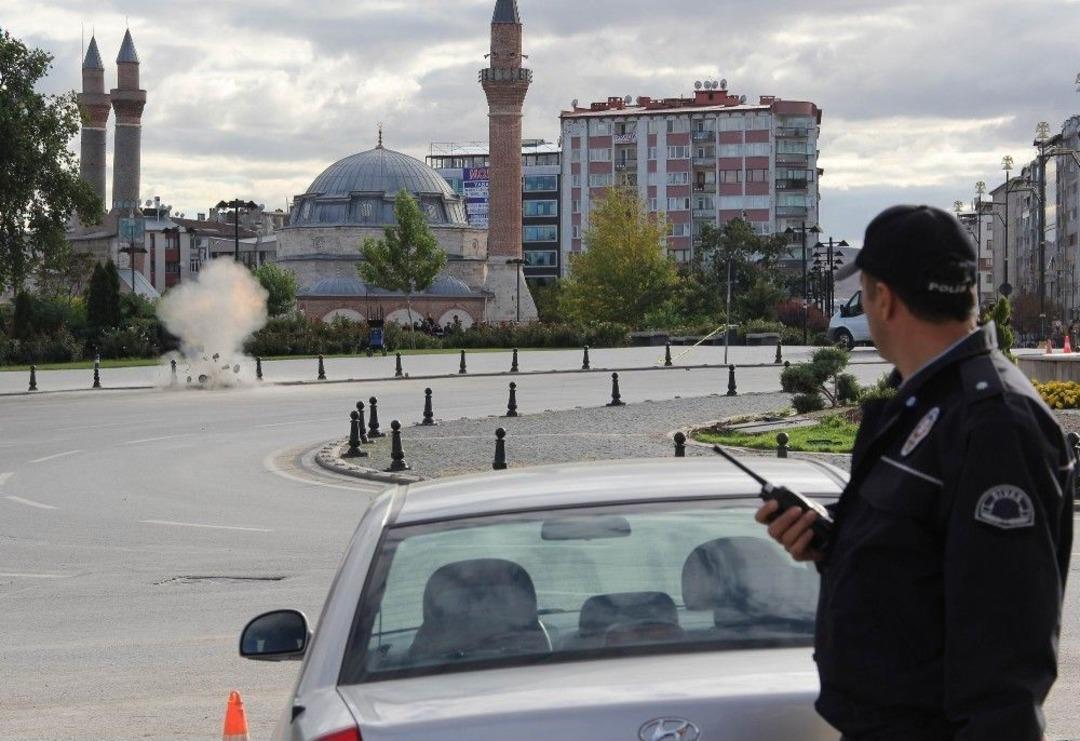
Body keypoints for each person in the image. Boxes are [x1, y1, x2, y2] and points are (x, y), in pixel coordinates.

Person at [758, 205, 1073, 740]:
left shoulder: (992, 422)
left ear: (883, 297)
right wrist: (832, 543)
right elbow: (923, 561)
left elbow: (1005, 660)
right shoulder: (930, 403)